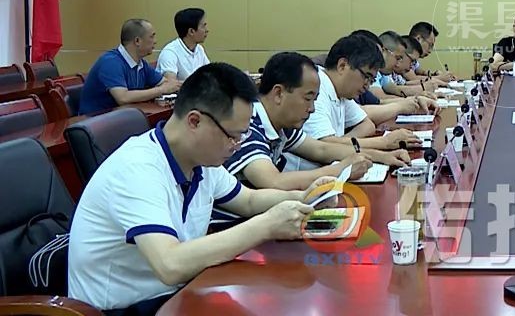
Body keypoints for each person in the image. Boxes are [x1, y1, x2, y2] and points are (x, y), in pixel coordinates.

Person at [68, 63, 335, 314]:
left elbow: (249, 200)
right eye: (232, 136)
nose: (237, 146)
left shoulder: (201, 161)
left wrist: (304, 198)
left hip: (177, 292)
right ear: (194, 121)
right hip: (125, 308)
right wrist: (266, 226)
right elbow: (170, 264)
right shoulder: (137, 169)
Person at [212, 53, 375, 227]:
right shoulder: (248, 125)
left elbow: (321, 149)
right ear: (278, 93)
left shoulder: (282, 125)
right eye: (307, 99)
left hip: (258, 220)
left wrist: (380, 155)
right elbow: (273, 182)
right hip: (232, 227)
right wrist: (341, 169)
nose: (312, 109)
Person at [289, 35, 418, 171]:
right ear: (342, 66)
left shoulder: (342, 92)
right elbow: (323, 147)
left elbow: (366, 124)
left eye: (371, 80)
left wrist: (341, 144)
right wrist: (383, 143)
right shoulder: (316, 86)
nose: (367, 85)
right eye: (366, 77)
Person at [79, 18, 181, 115]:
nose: (155, 41)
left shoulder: (141, 63)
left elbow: (166, 83)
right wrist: (161, 90)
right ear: (137, 41)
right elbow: (123, 98)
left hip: (124, 117)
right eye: (152, 36)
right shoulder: (111, 62)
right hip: (95, 121)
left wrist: (175, 87)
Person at [157, 7, 211, 81]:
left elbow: (210, 75)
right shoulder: (169, 53)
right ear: (191, 31)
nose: (207, 30)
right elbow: (171, 83)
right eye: (203, 26)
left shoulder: (199, 49)